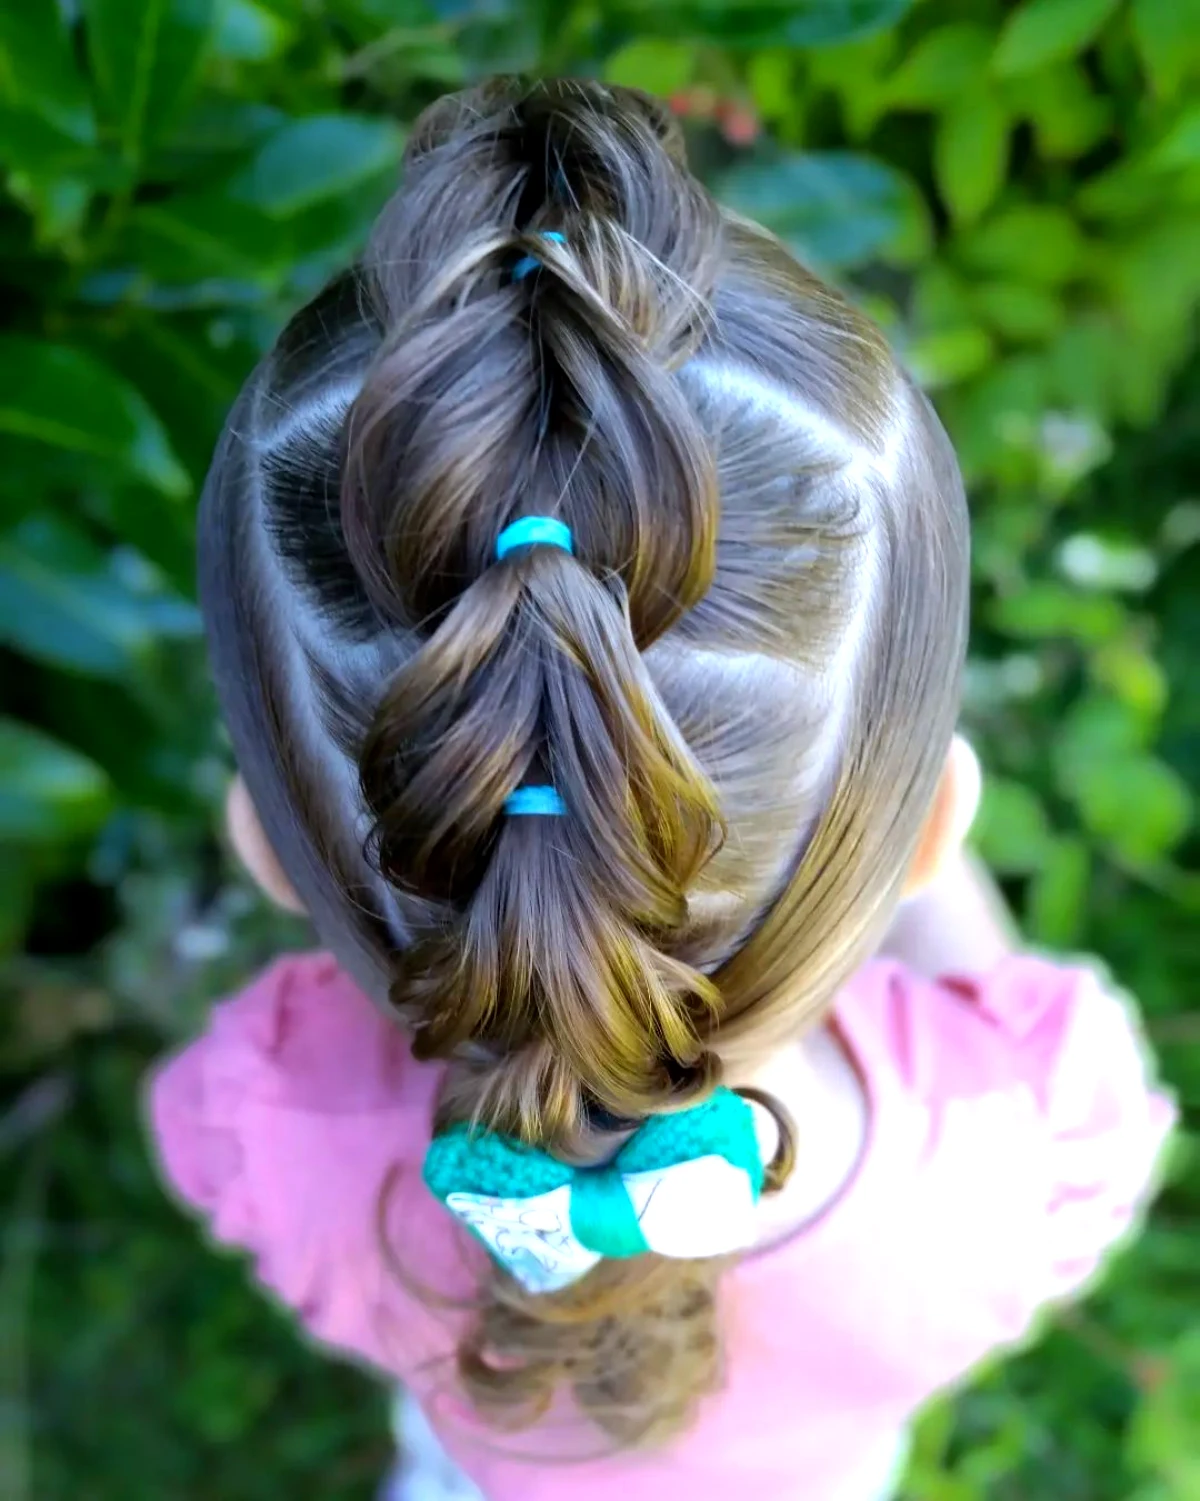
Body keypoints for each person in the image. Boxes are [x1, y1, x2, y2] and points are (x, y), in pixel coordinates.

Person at [147, 78, 1175, 1501]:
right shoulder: (1006, 1161)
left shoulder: (270, 1125)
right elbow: (1025, 1021)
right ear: (932, 823)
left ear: (270, 847)